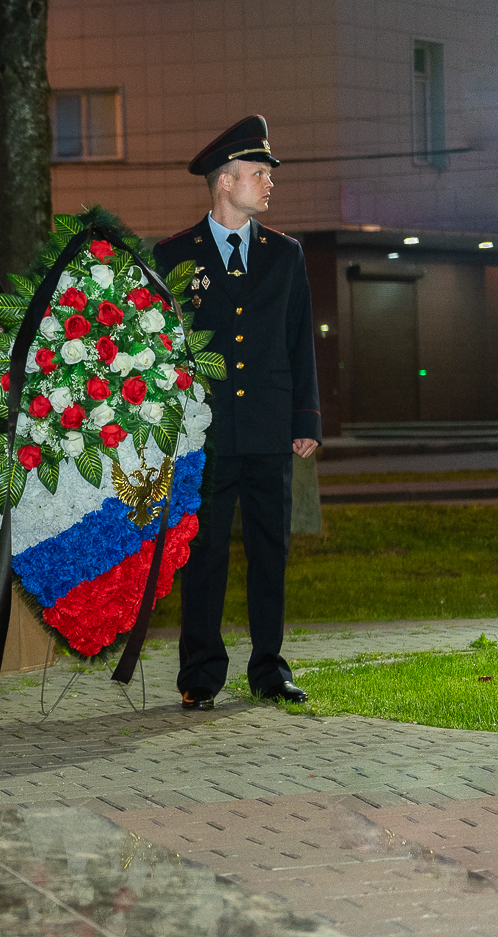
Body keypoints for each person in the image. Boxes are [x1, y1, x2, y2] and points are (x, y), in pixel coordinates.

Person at [152, 115, 321, 712]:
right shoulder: (172, 255)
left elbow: (298, 340)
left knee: (270, 550)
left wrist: (306, 419)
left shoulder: (284, 254)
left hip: (271, 428)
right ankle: (201, 672)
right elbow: (158, 350)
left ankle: (270, 669)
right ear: (224, 182)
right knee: (204, 554)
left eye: (268, 174)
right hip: (206, 435)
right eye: (257, 173)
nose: (268, 183)